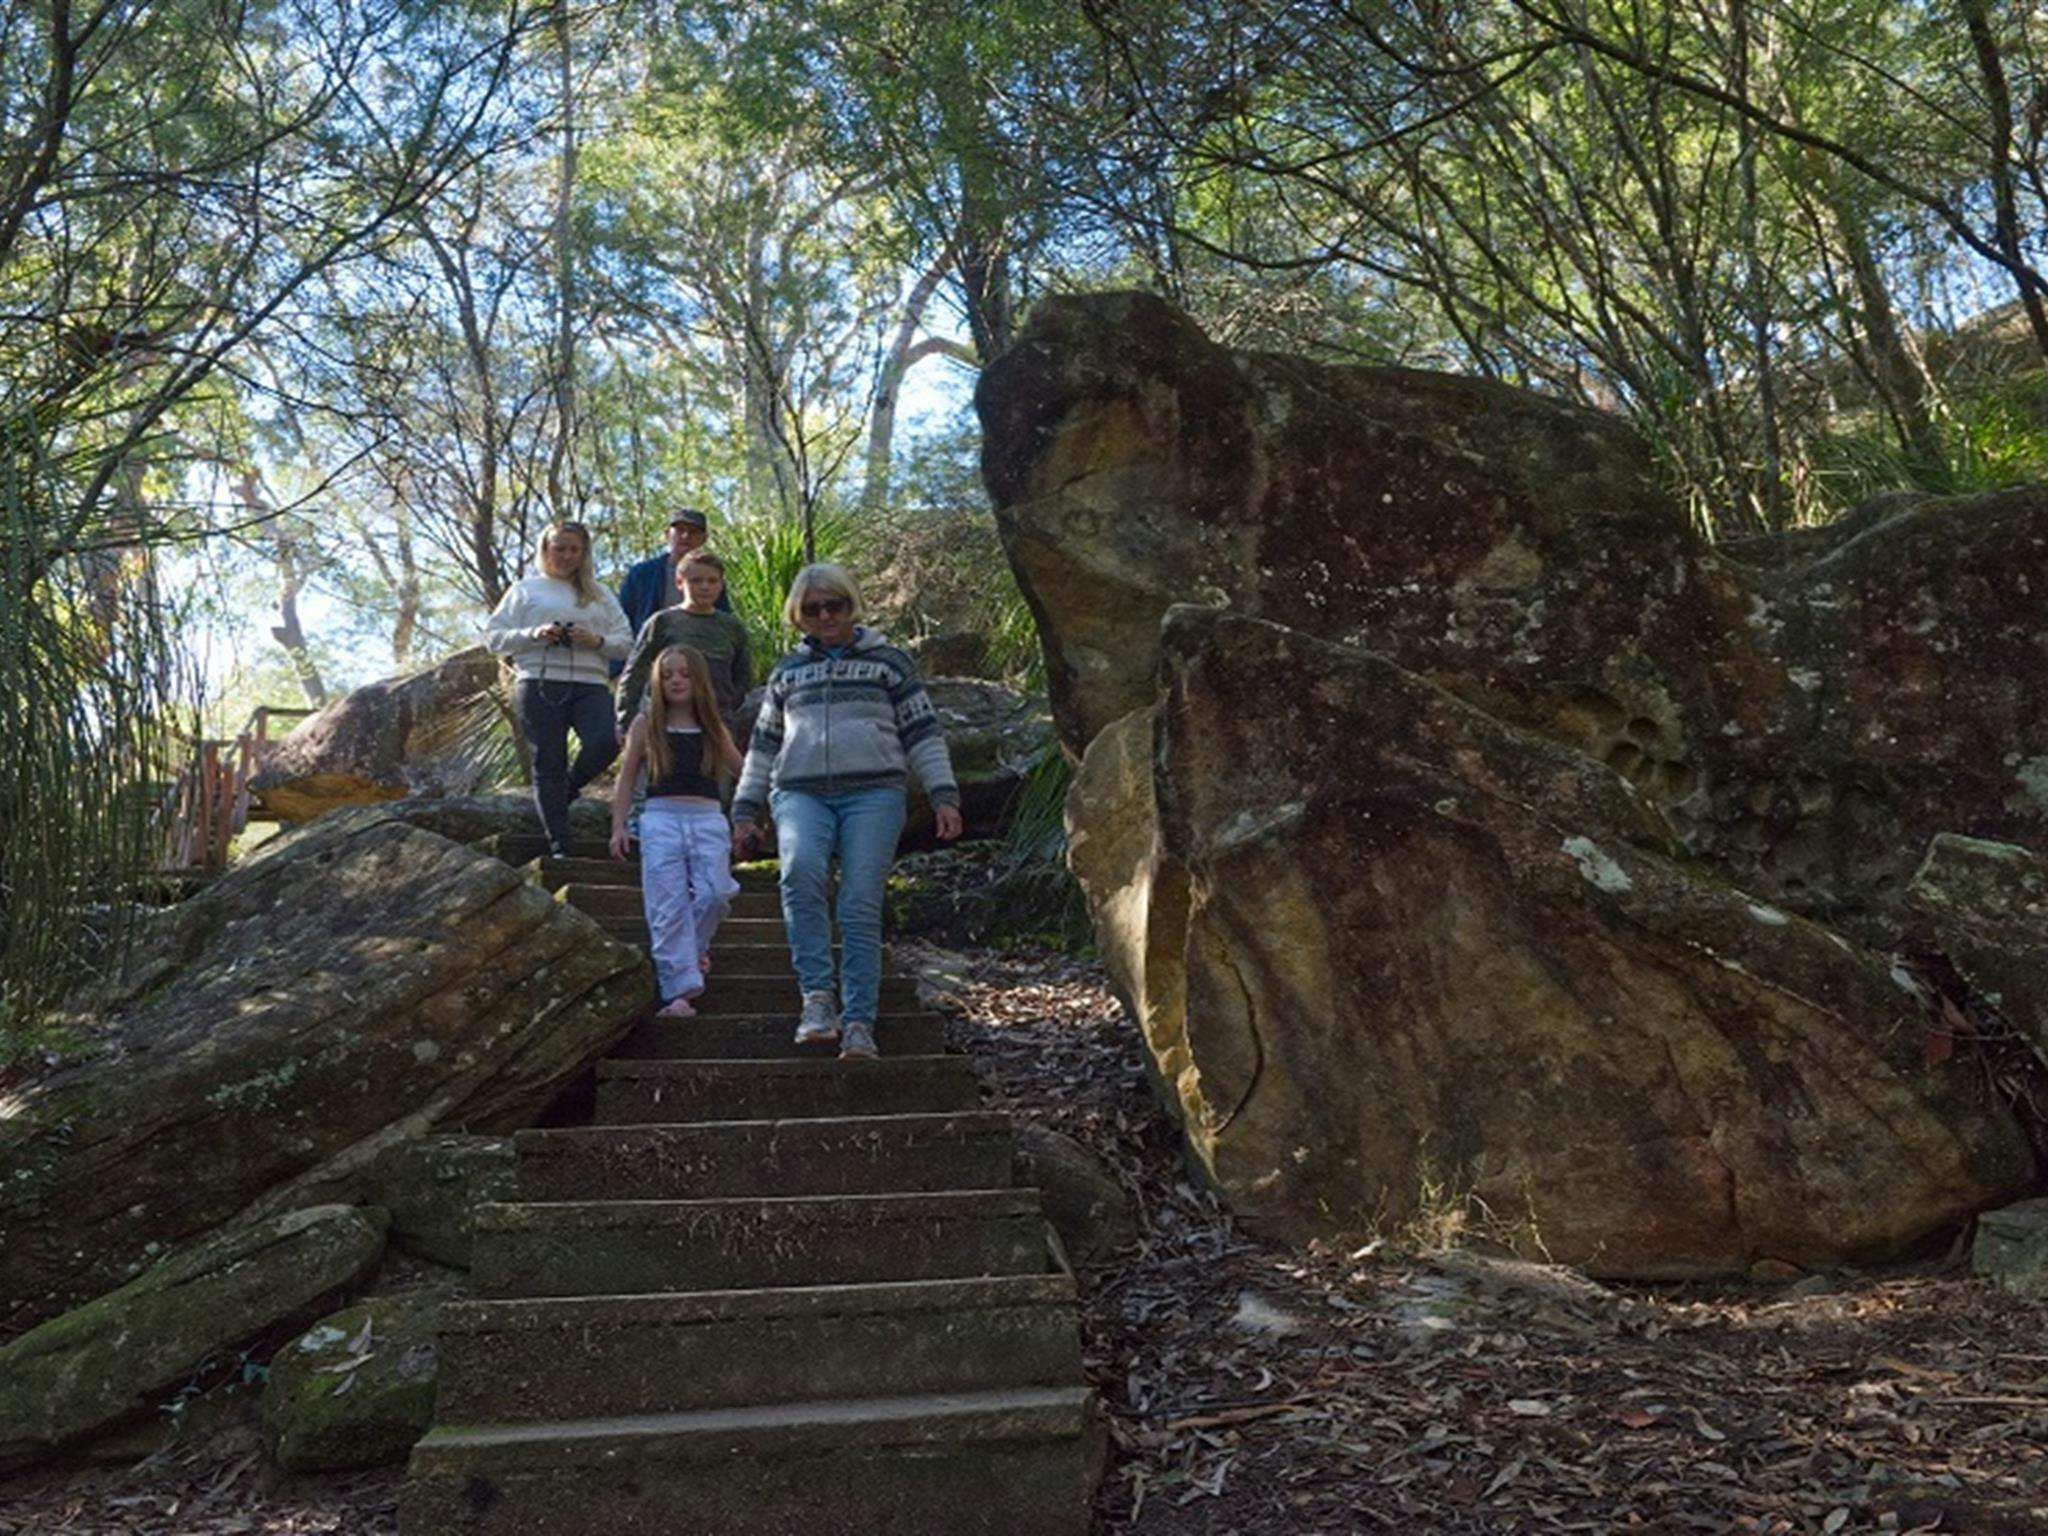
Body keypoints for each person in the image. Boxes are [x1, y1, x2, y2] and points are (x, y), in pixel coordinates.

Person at [730, 564, 962, 1060]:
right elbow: (763, 745)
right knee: (799, 874)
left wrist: (944, 794)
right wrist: (745, 809)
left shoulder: (889, 663)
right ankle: (817, 999)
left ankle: (859, 1022)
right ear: (800, 614)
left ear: (851, 604)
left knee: (858, 903)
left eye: (834, 604)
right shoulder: (788, 673)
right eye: (813, 608)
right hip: (799, 793)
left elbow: (923, 733)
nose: (825, 615)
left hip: (874, 796)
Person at [483, 520, 633, 857]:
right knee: (548, 762)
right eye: (559, 548)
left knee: (605, 741)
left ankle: (565, 790)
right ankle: (560, 845)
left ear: (583, 554)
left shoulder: (600, 593)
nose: (566, 556)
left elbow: (626, 643)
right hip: (538, 681)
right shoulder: (525, 589)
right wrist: (533, 634)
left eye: (574, 549)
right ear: (545, 550)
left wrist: (596, 641)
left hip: (590, 683)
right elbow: (493, 638)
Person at [611, 646, 743, 1017]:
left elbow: (743, 771)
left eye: (684, 673)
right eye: (667, 675)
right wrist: (619, 826)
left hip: (707, 819)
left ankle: (693, 950)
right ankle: (680, 994)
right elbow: (624, 780)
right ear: (657, 682)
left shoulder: (713, 727)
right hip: (660, 820)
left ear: (698, 679)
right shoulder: (645, 725)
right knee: (667, 905)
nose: (676, 681)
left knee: (716, 893)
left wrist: (751, 814)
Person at [616, 550, 752, 729]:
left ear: (721, 585)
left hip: (718, 722)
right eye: (696, 580)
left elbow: (742, 677)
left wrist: (729, 710)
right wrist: (625, 721)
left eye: (712, 581)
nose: (705, 587)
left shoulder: (733, 627)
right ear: (680, 583)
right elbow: (635, 673)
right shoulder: (662, 622)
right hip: (666, 721)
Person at [618, 508, 730, 636]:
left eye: (693, 532)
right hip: (652, 649)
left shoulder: (710, 577)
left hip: (701, 648)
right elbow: (622, 620)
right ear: (667, 534)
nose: (686, 536)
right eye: (680, 530)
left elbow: (722, 619)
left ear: (703, 539)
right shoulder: (642, 574)